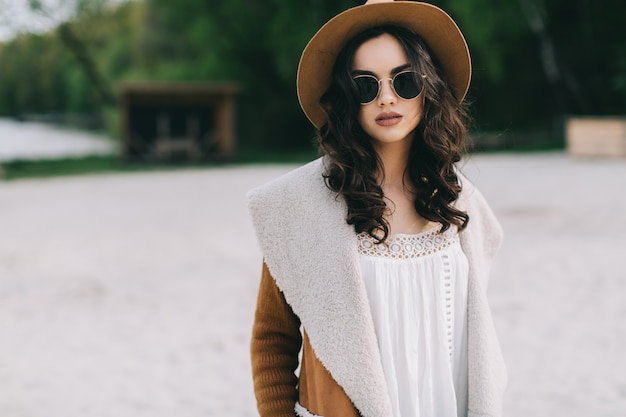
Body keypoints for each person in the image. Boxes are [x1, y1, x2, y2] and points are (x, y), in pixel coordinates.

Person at [247, 1, 507, 417]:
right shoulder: (297, 207)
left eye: (404, 81)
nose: (386, 97)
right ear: (347, 98)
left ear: (429, 88)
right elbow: (272, 339)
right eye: (366, 85)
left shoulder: (461, 203)